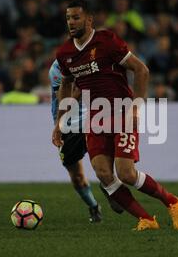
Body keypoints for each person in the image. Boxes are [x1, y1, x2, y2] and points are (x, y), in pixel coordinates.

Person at [52, 0, 178, 231]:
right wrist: (60, 121)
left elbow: (141, 69)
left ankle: (172, 201)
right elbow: (66, 84)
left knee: (126, 173)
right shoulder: (65, 53)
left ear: (89, 19)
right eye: (68, 18)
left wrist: (136, 107)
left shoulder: (107, 41)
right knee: (103, 173)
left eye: (76, 17)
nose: (71, 22)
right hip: (95, 117)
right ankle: (147, 219)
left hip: (121, 111)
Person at [49, 59, 124, 222]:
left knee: (103, 165)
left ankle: (107, 184)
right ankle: (94, 206)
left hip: (94, 119)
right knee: (77, 177)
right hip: (68, 125)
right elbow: (65, 100)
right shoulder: (56, 68)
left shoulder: (94, 61)